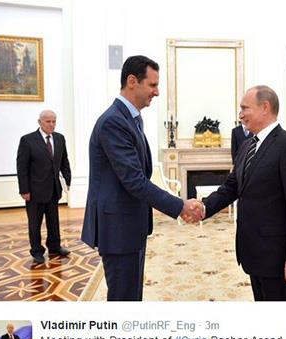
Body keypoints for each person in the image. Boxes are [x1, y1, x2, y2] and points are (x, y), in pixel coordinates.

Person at [81, 55, 203, 301]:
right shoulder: (114, 122)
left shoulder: (130, 118)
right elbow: (134, 180)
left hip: (129, 224)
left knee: (132, 295)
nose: (157, 92)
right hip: (118, 227)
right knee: (124, 298)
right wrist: (180, 205)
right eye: (152, 85)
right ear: (132, 81)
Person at [200, 85, 286, 301]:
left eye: (245, 108)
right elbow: (232, 186)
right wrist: (204, 207)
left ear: (265, 107)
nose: (240, 115)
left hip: (279, 259)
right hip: (254, 254)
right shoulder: (247, 146)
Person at [16, 110, 72, 265]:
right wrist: (24, 190)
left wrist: (67, 180)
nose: (52, 124)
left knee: (54, 221)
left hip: (54, 189)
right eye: (48, 121)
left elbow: (64, 161)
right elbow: (22, 167)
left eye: (54, 121)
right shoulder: (27, 140)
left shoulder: (60, 138)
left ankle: (54, 246)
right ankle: (37, 251)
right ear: (39, 122)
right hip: (34, 191)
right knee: (35, 223)